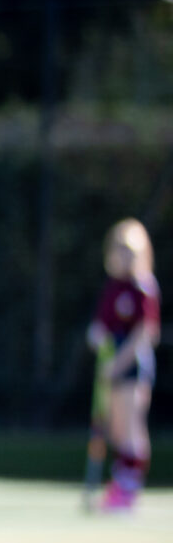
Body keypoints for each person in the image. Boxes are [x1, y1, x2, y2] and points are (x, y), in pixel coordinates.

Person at [89, 219, 158, 514]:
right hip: (112, 365)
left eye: (130, 251)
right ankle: (119, 483)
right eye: (119, 250)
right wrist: (97, 338)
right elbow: (100, 326)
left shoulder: (143, 287)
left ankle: (129, 488)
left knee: (131, 427)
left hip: (132, 365)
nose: (123, 256)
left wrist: (119, 363)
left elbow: (146, 333)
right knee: (117, 429)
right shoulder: (113, 287)